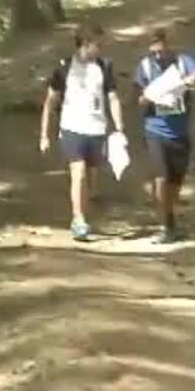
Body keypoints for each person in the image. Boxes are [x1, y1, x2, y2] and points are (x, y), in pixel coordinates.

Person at [40, 22, 129, 242]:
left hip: (96, 130)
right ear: (86, 44)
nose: (101, 48)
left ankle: (85, 209)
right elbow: (50, 102)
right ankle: (78, 219)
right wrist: (44, 135)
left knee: (90, 176)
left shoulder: (104, 67)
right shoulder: (64, 68)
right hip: (72, 128)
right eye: (98, 44)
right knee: (78, 172)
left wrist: (119, 127)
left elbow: (112, 98)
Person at [134, 28, 195, 243]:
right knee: (161, 178)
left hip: (180, 132)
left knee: (175, 181)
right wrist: (148, 97)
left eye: (161, 51)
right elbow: (136, 99)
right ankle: (166, 225)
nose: (158, 56)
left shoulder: (184, 62)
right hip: (155, 130)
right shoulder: (145, 67)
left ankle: (170, 216)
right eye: (154, 52)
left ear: (168, 45)